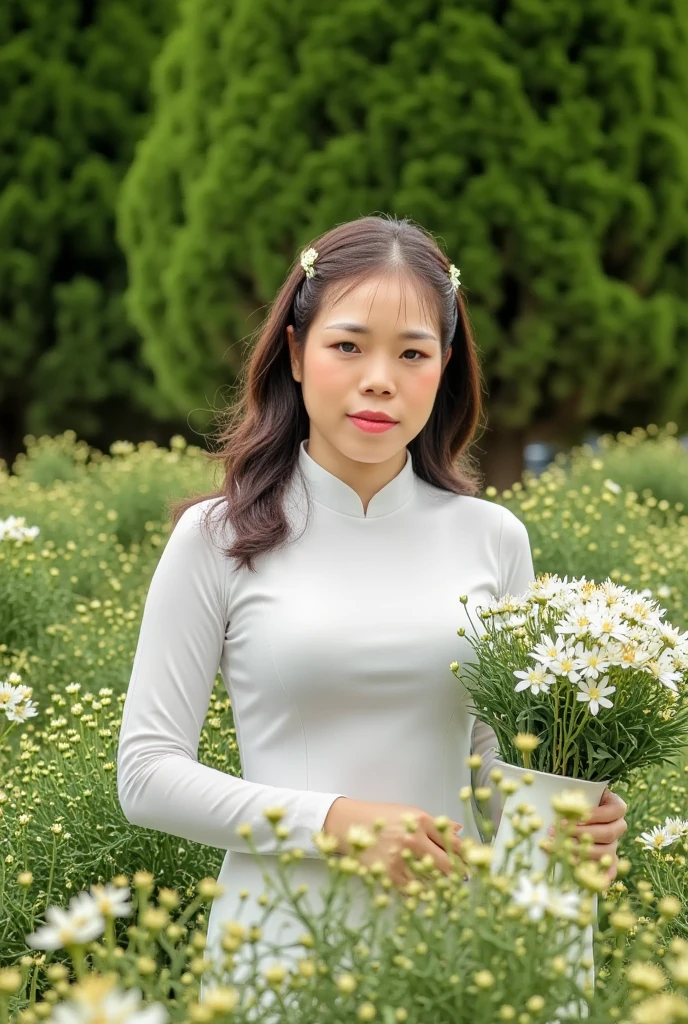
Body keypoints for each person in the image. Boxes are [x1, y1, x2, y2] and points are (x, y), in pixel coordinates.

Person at [116, 214, 628, 1014]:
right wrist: (338, 822)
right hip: (277, 953)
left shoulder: (492, 539)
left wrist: (567, 820)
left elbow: (499, 776)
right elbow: (146, 775)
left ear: (445, 366)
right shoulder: (216, 539)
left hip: (460, 955)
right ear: (294, 350)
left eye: (413, 353)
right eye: (348, 345)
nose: (380, 378)